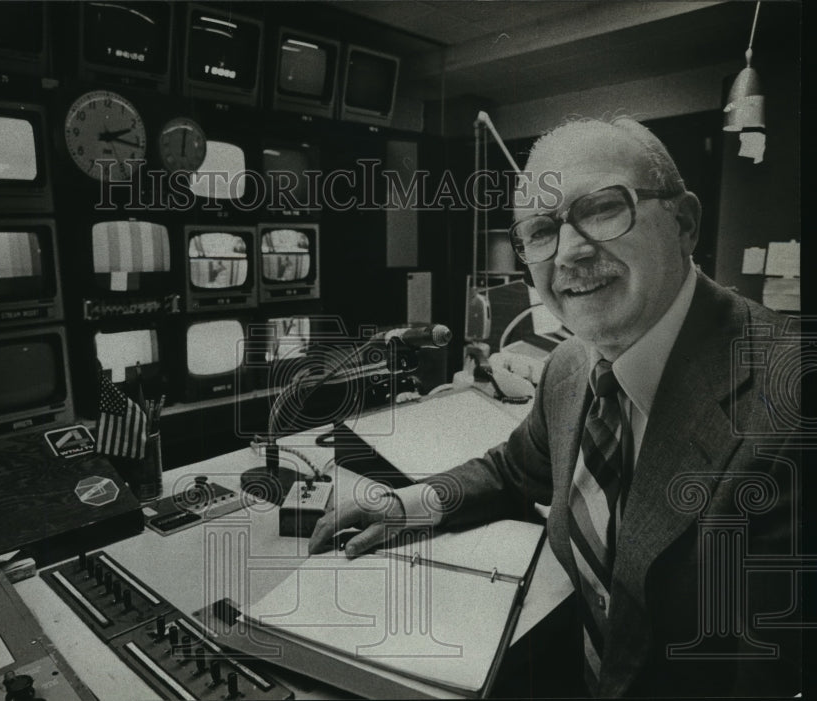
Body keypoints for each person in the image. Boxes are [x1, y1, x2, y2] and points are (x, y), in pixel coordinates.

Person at [309, 118, 802, 697]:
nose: (569, 251)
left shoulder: (792, 404)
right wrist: (407, 506)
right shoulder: (571, 365)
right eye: (541, 229)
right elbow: (513, 469)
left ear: (685, 223)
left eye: (600, 209)